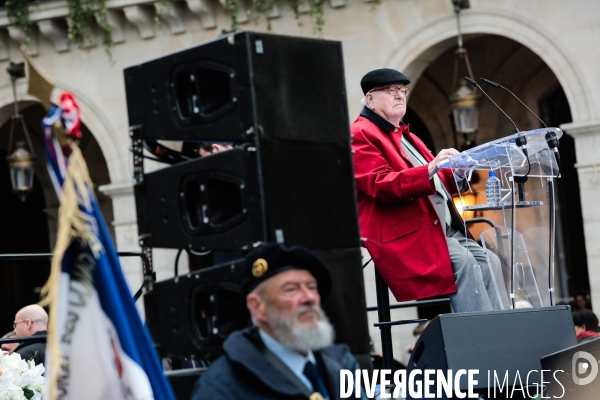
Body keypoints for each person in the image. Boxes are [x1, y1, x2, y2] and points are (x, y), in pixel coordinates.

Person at [351, 68, 506, 313]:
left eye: (402, 91)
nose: (400, 96)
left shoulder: (406, 134)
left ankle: (501, 330)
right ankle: (482, 341)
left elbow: (439, 179)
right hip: (408, 233)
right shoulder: (360, 133)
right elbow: (380, 184)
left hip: (440, 227)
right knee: (465, 264)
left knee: (491, 261)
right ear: (370, 99)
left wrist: (458, 172)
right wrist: (431, 167)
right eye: (391, 91)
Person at [191, 243, 365, 400]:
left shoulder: (340, 363)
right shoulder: (223, 386)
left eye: (312, 287)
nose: (309, 298)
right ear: (258, 307)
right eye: (291, 289)